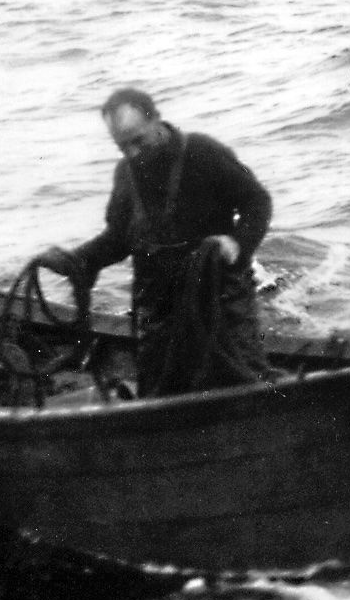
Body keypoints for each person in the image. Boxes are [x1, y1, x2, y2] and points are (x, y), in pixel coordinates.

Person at [34, 88, 274, 396]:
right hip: (159, 309)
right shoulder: (125, 174)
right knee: (158, 393)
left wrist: (237, 244)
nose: (132, 153)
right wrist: (78, 259)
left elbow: (257, 202)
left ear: (157, 121)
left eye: (138, 140)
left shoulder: (203, 152)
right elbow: (119, 238)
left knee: (245, 384)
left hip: (219, 297)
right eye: (122, 147)